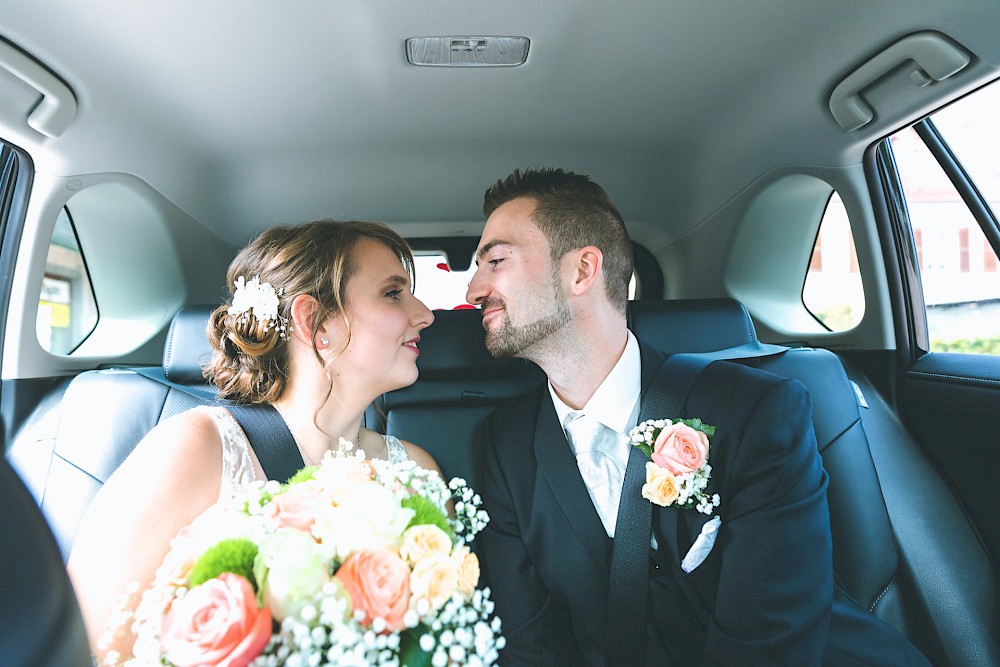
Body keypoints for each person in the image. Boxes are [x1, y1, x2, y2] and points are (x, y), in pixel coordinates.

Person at [465, 168, 930, 666]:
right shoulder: (504, 445)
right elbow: (531, 646)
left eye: (495, 261)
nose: (474, 289)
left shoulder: (754, 412)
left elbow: (772, 645)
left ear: (581, 271)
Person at [68, 219, 439, 663]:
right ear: (315, 321)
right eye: (393, 293)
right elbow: (89, 644)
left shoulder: (417, 472)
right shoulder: (197, 448)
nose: (427, 314)